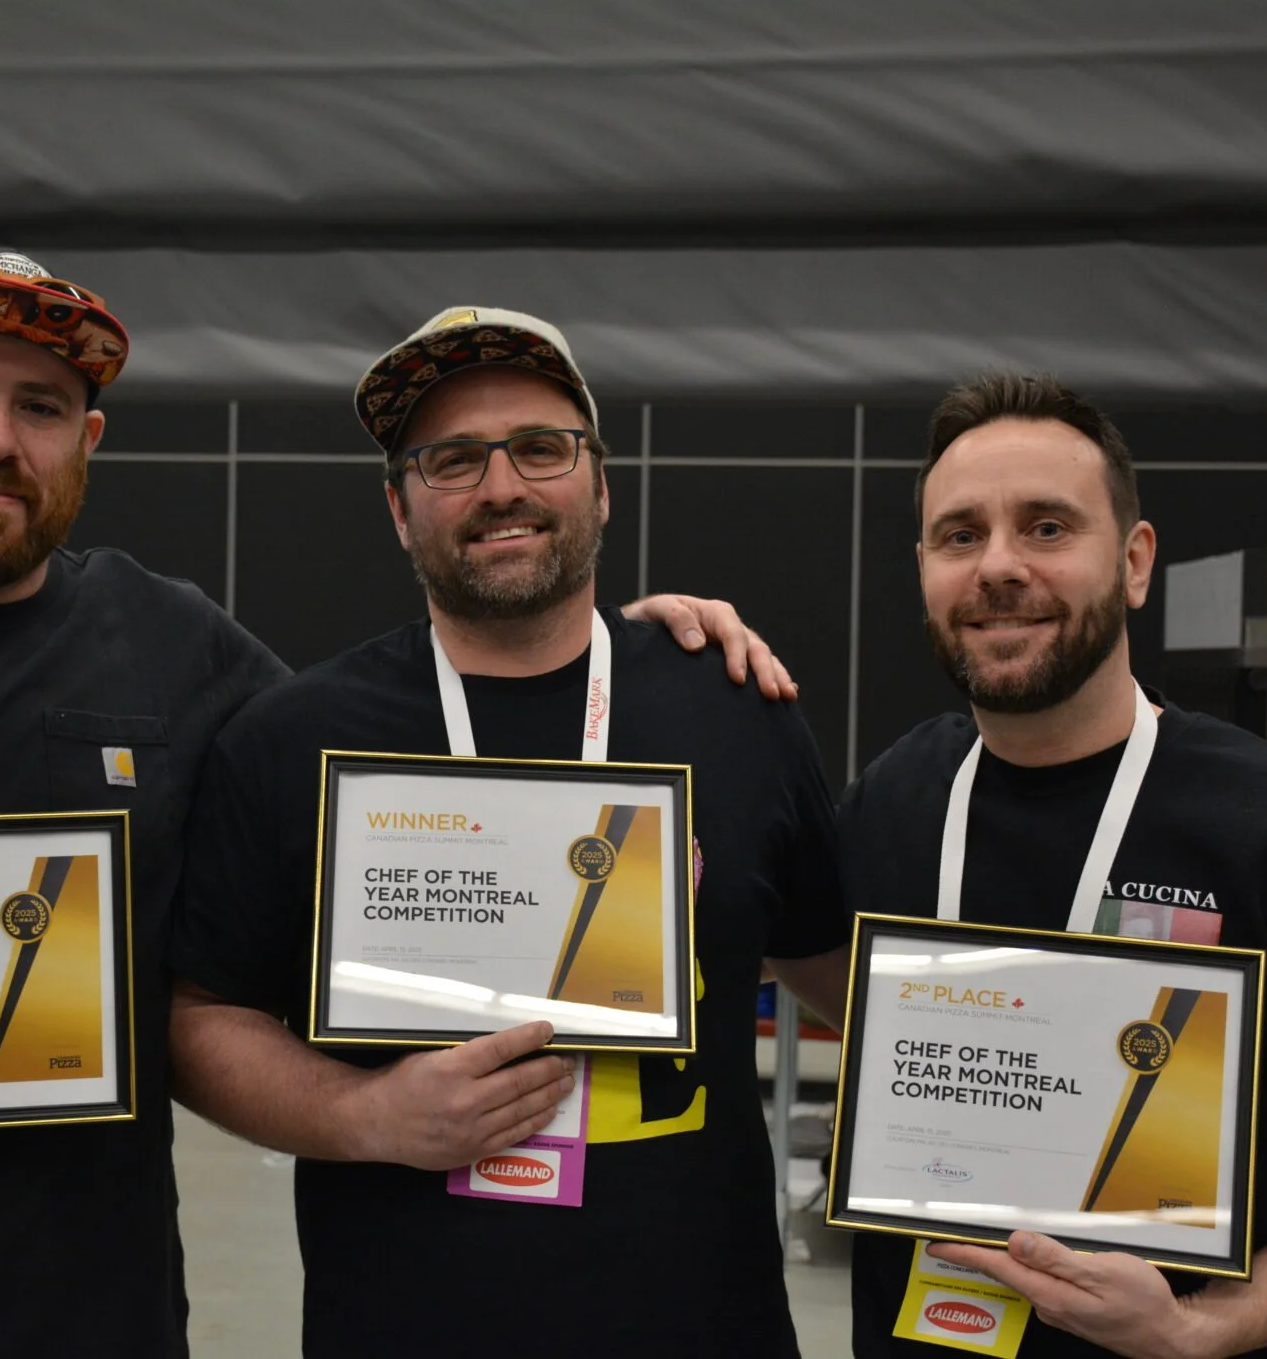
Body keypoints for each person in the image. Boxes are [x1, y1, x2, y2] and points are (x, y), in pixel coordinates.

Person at [0, 258, 780, 1358]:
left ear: (88, 441)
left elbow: (414, 784)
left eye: (43, 406)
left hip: (80, 1328)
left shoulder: (175, 649)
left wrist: (629, 646)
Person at [168, 305, 855, 1358]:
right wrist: (364, 1118)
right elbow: (199, 1016)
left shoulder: (733, 707)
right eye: (450, 460)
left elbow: (839, 970)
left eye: (540, 448)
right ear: (399, 510)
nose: (501, 487)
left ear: (600, 484)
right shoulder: (292, 738)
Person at [837, 372, 1267, 1358]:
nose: (998, 567)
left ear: (1135, 561)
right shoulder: (898, 795)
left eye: (1047, 527)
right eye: (959, 535)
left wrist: (1202, 1326)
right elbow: (822, 974)